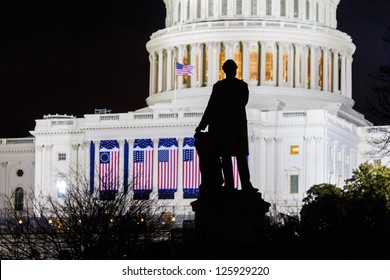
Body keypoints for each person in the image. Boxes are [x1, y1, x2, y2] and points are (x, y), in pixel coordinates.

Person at [196, 59, 258, 193]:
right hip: (230, 126)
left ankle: (242, 184)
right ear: (226, 71)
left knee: (235, 156)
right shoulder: (226, 87)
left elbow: (214, 107)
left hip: (230, 126)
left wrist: (202, 125)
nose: (232, 71)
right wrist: (202, 125)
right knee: (228, 156)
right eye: (230, 69)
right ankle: (234, 184)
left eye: (233, 68)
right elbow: (211, 106)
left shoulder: (237, 87)